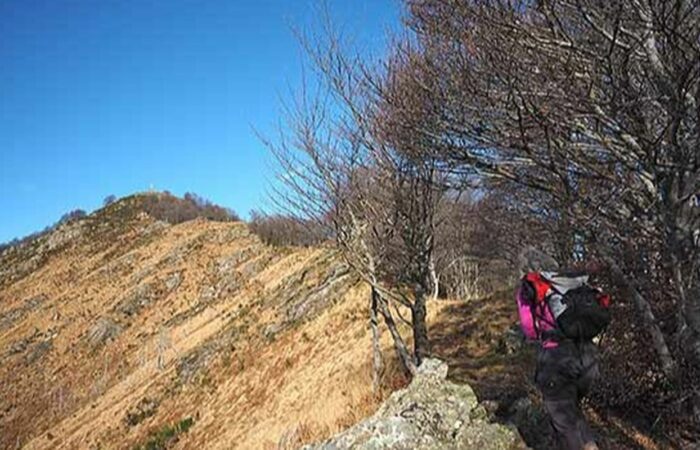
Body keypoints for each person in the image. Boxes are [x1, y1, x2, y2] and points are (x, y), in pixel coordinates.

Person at [516, 247, 607, 450]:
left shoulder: (531, 287)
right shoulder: (571, 282)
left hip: (555, 360)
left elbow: (530, 329)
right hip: (588, 358)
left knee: (565, 428)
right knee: (573, 412)